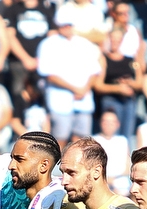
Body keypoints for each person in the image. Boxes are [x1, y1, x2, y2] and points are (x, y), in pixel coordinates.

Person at [36, 14, 104, 149]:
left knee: (81, 141)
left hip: (83, 100)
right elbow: (48, 74)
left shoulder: (84, 43)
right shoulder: (48, 44)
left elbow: (95, 71)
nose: (66, 28)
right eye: (63, 25)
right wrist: (75, 89)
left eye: (69, 25)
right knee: (60, 139)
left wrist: (84, 89)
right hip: (60, 101)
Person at [96, 26, 143, 144]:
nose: (115, 42)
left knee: (125, 137)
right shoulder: (104, 59)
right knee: (111, 136)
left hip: (128, 101)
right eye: (113, 39)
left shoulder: (131, 60)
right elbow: (98, 85)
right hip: (111, 100)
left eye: (118, 39)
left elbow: (139, 82)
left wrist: (129, 83)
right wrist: (118, 88)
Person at [4, 0, 55, 97]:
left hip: (42, 63)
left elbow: (52, 37)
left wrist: (41, 59)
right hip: (19, 62)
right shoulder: (12, 9)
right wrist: (26, 59)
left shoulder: (47, 9)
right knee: (19, 96)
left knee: (43, 94)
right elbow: (9, 37)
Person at [92, 109, 131, 196]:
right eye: (106, 122)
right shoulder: (94, 141)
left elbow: (128, 167)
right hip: (100, 183)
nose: (108, 125)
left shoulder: (123, 141)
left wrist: (114, 180)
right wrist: (107, 181)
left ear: (117, 124)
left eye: (112, 122)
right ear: (100, 123)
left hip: (121, 185)